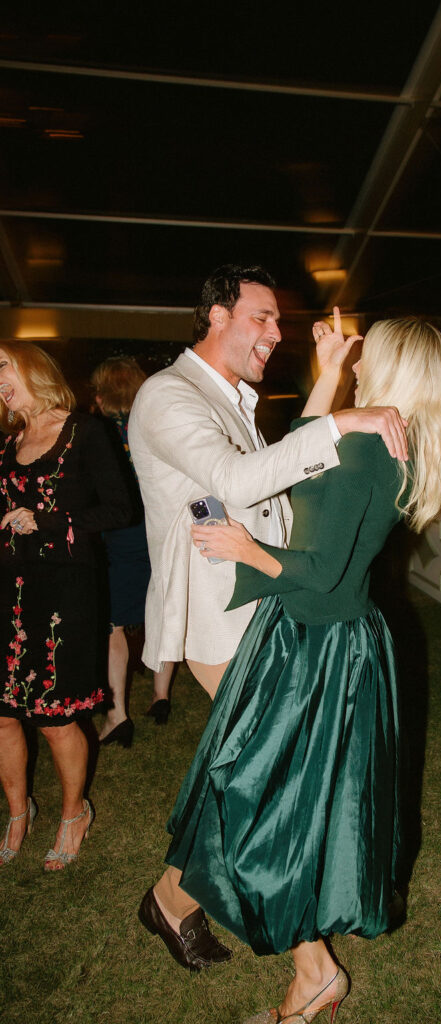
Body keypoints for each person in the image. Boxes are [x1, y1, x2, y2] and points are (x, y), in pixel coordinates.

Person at [162, 315, 441, 1022]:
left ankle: (312, 971)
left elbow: (324, 570)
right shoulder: (380, 434)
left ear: (390, 364)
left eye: (364, 353)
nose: (357, 361)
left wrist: (243, 548)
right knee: (272, 794)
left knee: (272, 805)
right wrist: (326, 372)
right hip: (313, 635)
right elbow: (300, 456)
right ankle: (296, 961)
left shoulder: (368, 450)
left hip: (313, 647)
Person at [131, 264, 408, 970]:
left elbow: (289, 468)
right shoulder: (168, 396)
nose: (276, 332)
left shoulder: (233, 397)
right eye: (262, 316)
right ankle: (312, 967)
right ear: (217, 314)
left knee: (258, 776)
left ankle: (171, 898)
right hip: (220, 611)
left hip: (266, 601)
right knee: (272, 782)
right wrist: (345, 418)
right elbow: (234, 481)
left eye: (278, 320)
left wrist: (329, 375)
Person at [0, 342, 132, 869]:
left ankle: (74, 812)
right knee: (4, 714)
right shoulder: (10, 441)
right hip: (9, 589)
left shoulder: (85, 432)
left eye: (1, 369)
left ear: (31, 369)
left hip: (65, 592)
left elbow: (120, 509)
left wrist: (48, 521)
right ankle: (17, 811)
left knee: (55, 719)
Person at [91, 357, 175, 747]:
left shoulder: (98, 433)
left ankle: (118, 714)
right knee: (163, 607)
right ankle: (161, 696)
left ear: (102, 394)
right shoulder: (155, 424)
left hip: (120, 531)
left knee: (114, 623)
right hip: (161, 525)